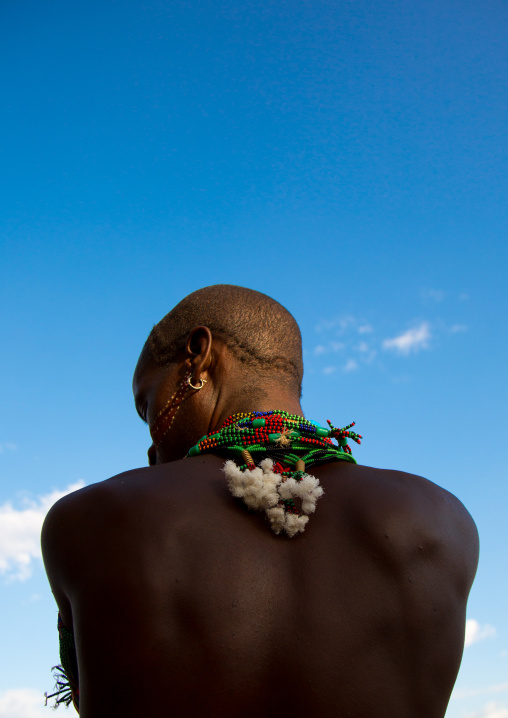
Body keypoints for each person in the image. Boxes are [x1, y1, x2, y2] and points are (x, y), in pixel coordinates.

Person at [42, 284, 479, 718]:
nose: (151, 445)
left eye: (146, 403)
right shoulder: (442, 520)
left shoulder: (92, 518)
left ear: (198, 356)